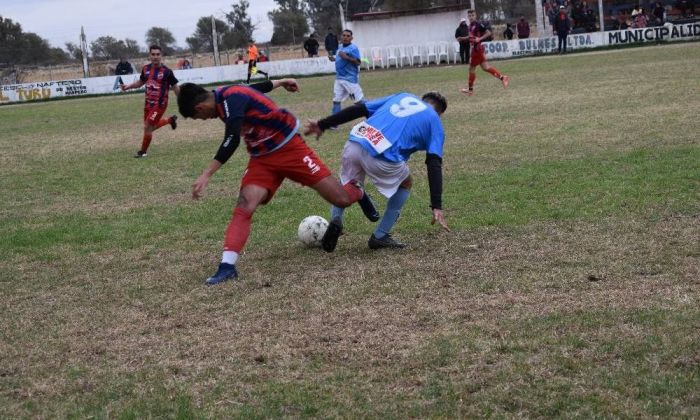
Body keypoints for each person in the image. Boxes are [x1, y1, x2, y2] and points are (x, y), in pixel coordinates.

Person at [176, 79, 378, 285]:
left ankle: (357, 190)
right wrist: (280, 82)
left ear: (199, 107)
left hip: (291, 148)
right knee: (245, 204)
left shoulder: (230, 98)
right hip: (261, 158)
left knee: (341, 199)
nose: (203, 119)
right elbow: (254, 89)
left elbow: (232, 138)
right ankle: (227, 267)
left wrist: (207, 174)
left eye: (198, 117)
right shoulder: (225, 95)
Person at [304, 91, 450, 252]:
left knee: (347, 184)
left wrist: (322, 124)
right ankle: (380, 235)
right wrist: (436, 205)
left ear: (422, 99)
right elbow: (434, 163)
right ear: (440, 113)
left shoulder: (402, 96)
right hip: (381, 156)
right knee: (406, 183)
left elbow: (359, 109)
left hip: (355, 142)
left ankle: (336, 219)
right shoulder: (435, 121)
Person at [120, 45, 179, 158]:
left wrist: (181, 100)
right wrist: (128, 87)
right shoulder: (146, 69)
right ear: (149, 55)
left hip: (160, 104)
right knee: (150, 127)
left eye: (158, 54)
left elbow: (175, 87)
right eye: (153, 54)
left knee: (147, 127)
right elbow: (140, 82)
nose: (155, 57)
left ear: (161, 56)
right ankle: (170, 120)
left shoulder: (167, 72)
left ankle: (143, 152)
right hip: (148, 104)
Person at [460, 9, 509, 97]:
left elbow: (488, 33)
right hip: (477, 49)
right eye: (469, 16)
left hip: (477, 50)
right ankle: (503, 77)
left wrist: (480, 38)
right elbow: (471, 36)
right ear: (468, 17)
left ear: (475, 16)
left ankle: (470, 90)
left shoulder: (478, 24)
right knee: (486, 67)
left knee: (471, 69)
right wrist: (463, 38)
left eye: (472, 15)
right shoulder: (470, 25)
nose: (471, 17)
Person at [330, 30, 364, 119]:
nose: (345, 37)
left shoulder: (353, 48)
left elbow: (358, 62)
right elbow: (339, 58)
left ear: (351, 38)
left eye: (348, 36)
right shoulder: (340, 47)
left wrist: (347, 57)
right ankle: (334, 123)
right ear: (341, 37)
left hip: (349, 79)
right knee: (336, 101)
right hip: (339, 79)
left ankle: (374, 116)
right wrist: (333, 59)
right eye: (344, 35)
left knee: (359, 102)